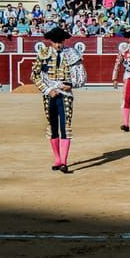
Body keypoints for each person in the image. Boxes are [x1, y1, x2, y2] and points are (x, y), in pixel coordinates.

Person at [31, 27, 88, 174]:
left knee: (65, 125)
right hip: (49, 94)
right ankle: (57, 159)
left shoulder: (72, 53)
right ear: (51, 41)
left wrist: (71, 85)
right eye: (56, 42)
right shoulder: (43, 54)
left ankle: (64, 161)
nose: (58, 45)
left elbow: (81, 76)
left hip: (65, 94)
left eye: (60, 42)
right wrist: (48, 90)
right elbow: (34, 76)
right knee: (53, 125)